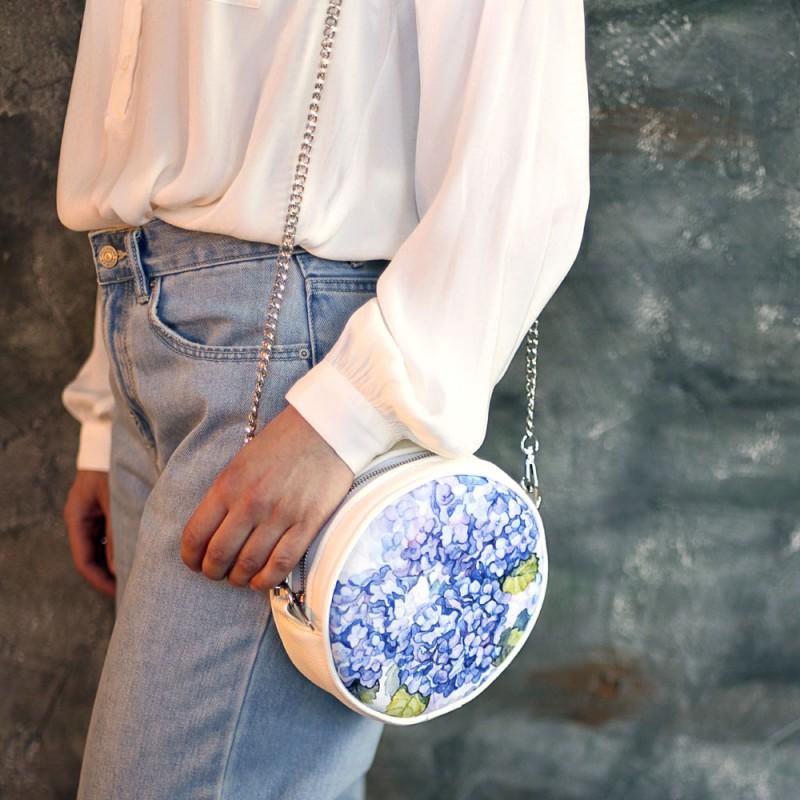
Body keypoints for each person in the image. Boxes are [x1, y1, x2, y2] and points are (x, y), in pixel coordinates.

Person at [57, 1, 591, 797]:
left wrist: (346, 418)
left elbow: (525, 146)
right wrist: (106, 408)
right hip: (147, 321)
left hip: (295, 376)